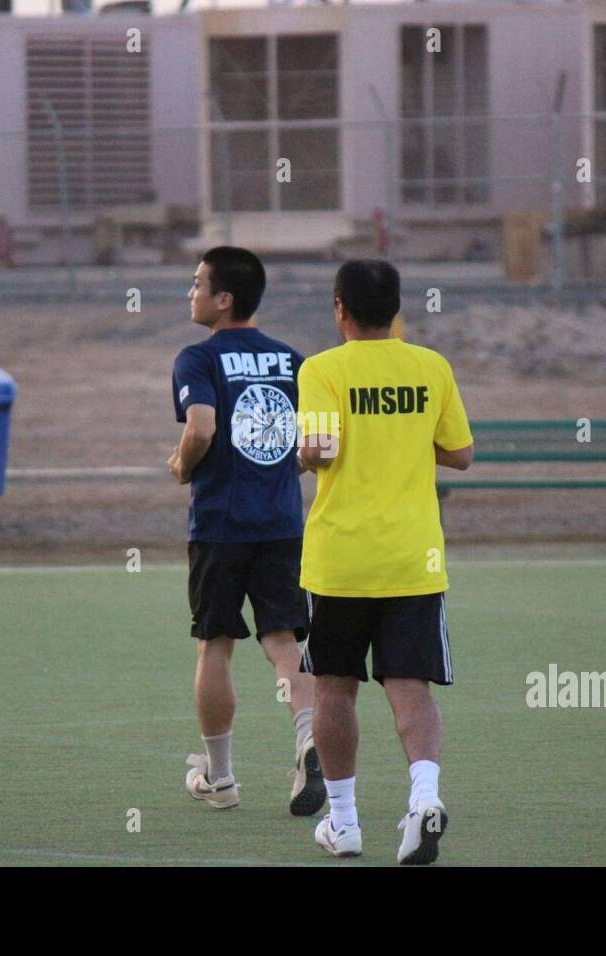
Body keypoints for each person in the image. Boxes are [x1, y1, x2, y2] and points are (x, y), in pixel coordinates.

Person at [296, 259, 474, 864]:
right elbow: (461, 453)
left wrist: (295, 455)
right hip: (412, 559)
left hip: (341, 559)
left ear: (340, 308)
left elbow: (320, 449)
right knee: (410, 688)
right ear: (397, 308)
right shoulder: (431, 367)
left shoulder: (321, 369)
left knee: (334, 689)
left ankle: (343, 823)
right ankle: (423, 798)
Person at [168, 246, 323, 816]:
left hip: (221, 524)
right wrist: (289, 467)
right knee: (285, 641)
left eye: (197, 283)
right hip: (282, 523)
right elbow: (316, 446)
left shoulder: (197, 359)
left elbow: (202, 426)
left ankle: (222, 778)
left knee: (216, 644)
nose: (191, 292)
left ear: (223, 298)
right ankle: (309, 737)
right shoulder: (293, 361)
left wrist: (183, 465)